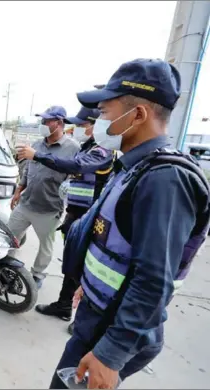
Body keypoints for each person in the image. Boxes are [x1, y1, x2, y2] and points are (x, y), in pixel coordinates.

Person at [49, 59, 210, 389]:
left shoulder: (166, 180)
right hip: (100, 315)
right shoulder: (137, 167)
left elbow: (153, 279)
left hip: (111, 330)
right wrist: (91, 283)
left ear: (137, 115)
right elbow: (116, 240)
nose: (98, 122)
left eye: (105, 113)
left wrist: (111, 354)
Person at [16, 106, 115, 327]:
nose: (78, 129)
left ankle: (83, 319)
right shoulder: (89, 146)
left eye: (82, 125)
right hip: (76, 214)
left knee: (85, 268)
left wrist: (39, 157)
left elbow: (75, 165)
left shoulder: (101, 150)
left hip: (92, 217)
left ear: (97, 125)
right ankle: (63, 304)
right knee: (72, 263)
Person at [10, 106, 80, 288]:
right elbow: (27, 169)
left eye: (47, 121)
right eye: (42, 120)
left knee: (46, 247)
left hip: (49, 208)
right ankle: (7, 269)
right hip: (26, 204)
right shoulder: (36, 145)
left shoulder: (73, 148)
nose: (43, 124)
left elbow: (74, 173)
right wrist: (19, 190)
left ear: (59, 123)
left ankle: (37, 275)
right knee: (9, 237)